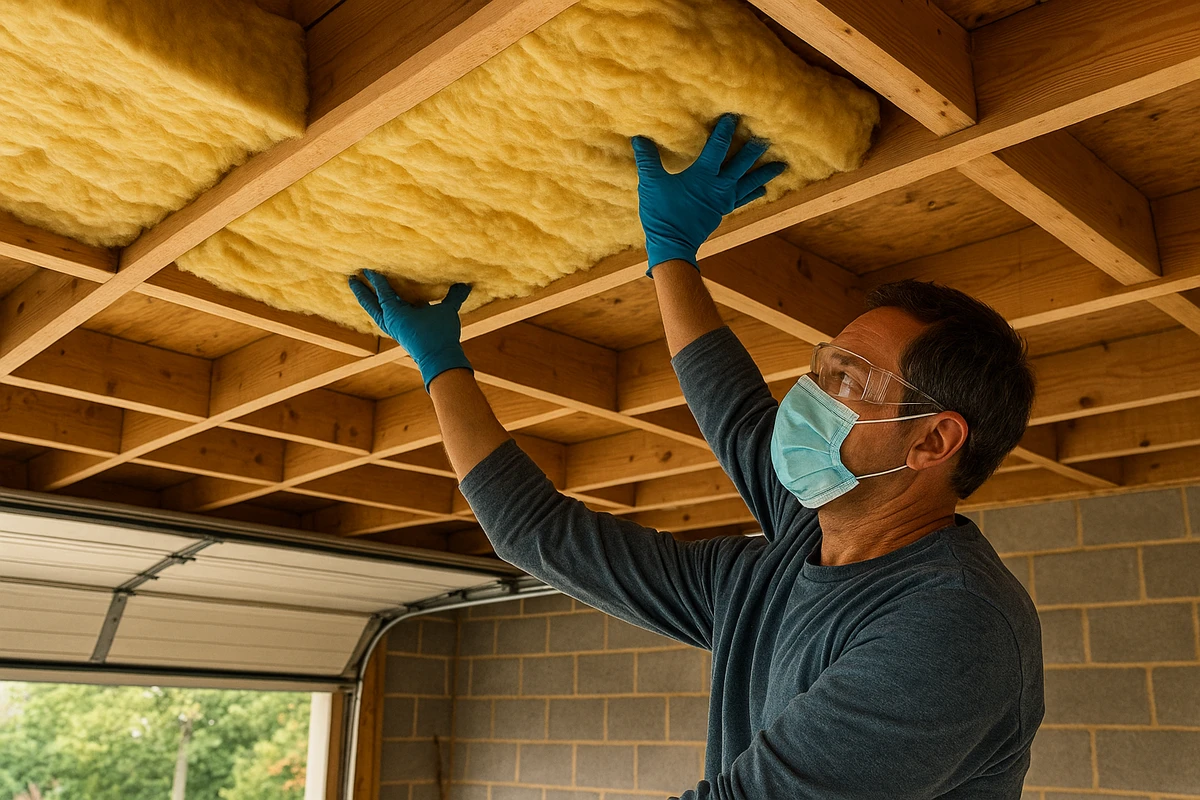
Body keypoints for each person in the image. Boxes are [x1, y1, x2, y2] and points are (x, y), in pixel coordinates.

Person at [350, 113, 1045, 798]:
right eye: (820, 366)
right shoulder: (798, 552)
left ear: (932, 440)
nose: (807, 395)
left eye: (848, 380)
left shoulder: (953, 629)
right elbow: (543, 526)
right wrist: (443, 362)